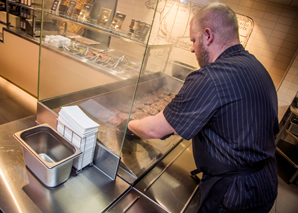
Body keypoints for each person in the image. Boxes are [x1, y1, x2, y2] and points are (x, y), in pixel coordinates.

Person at [128, 2, 279, 213]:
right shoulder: (256, 67)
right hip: (266, 182)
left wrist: (128, 123)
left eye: (193, 39)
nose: (191, 47)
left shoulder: (211, 76)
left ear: (208, 36)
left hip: (235, 195)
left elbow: (155, 129)